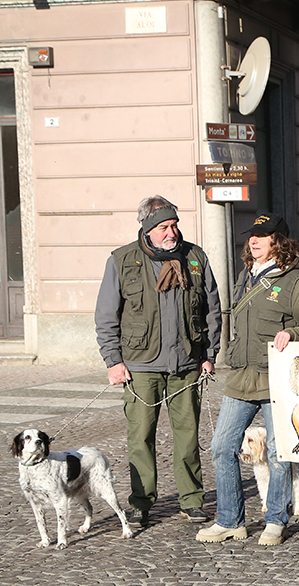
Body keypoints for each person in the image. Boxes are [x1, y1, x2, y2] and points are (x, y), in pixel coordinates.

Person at [197, 214, 299, 545]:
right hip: (242, 374)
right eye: (252, 236)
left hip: (275, 379)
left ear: (278, 242)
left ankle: (275, 520)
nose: (254, 241)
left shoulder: (295, 281)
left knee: (279, 450)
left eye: (263, 236)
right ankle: (229, 520)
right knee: (222, 447)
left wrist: (293, 332)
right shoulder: (245, 277)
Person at [95, 196, 222, 527]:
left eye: (175, 224)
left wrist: (209, 354)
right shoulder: (122, 261)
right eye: (165, 226)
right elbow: (106, 316)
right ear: (148, 229)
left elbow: (211, 310)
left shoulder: (194, 258)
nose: (172, 231)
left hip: (186, 364)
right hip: (140, 365)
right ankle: (141, 502)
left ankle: (192, 500)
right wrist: (113, 361)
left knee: (188, 435)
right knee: (141, 437)